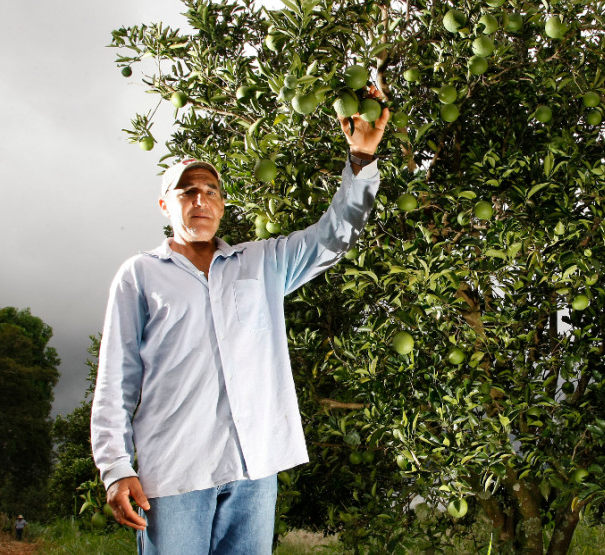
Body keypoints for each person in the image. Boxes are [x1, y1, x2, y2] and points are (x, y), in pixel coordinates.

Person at [91, 87, 389, 554]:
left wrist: (360, 158)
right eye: (187, 191)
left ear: (223, 204)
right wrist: (115, 468)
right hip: (173, 474)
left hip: (254, 470)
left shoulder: (261, 263)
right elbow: (115, 381)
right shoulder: (140, 275)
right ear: (166, 205)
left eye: (211, 191)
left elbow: (334, 237)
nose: (200, 200)